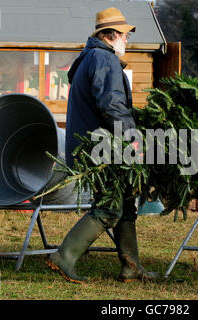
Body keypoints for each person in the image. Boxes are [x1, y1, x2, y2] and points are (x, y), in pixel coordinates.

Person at [46, 7, 159, 284]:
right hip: (100, 147)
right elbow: (112, 105)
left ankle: (132, 266)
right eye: (125, 35)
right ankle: (64, 257)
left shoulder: (89, 58)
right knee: (109, 207)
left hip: (95, 144)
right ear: (111, 35)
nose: (127, 40)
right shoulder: (104, 59)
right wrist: (132, 137)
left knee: (124, 202)